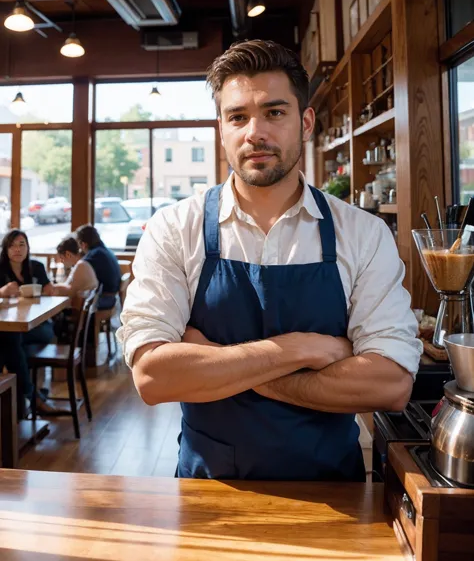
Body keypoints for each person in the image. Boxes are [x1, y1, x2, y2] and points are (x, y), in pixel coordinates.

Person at [118, 39, 423, 482]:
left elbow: (390, 384)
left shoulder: (362, 233)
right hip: (208, 489)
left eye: (274, 113)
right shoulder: (175, 228)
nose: (254, 132)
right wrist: (302, 349)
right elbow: (153, 378)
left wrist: (216, 362)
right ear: (221, 128)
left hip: (333, 493)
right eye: (237, 116)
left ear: (305, 123)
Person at [0, 229, 56, 415]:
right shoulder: (0, 270)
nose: (17, 249)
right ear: (5, 249)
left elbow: (50, 290)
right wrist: (2, 292)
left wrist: (49, 290)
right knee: (11, 342)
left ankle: (21, 402)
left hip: (40, 326)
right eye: (12, 245)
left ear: (28, 247)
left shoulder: (37, 267)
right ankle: (30, 398)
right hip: (13, 328)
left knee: (8, 343)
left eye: (21, 244)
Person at [75, 225, 120, 310]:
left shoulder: (94, 255)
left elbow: (79, 278)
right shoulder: (105, 251)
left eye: (79, 245)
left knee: (77, 302)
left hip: (105, 299)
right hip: (114, 298)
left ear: (83, 244)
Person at [53, 236, 98, 303]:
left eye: (61, 258)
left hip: (78, 311)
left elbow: (69, 291)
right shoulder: (82, 264)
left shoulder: (81, 265)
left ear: (68, 254)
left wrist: (49, 288)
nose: (61, 261)